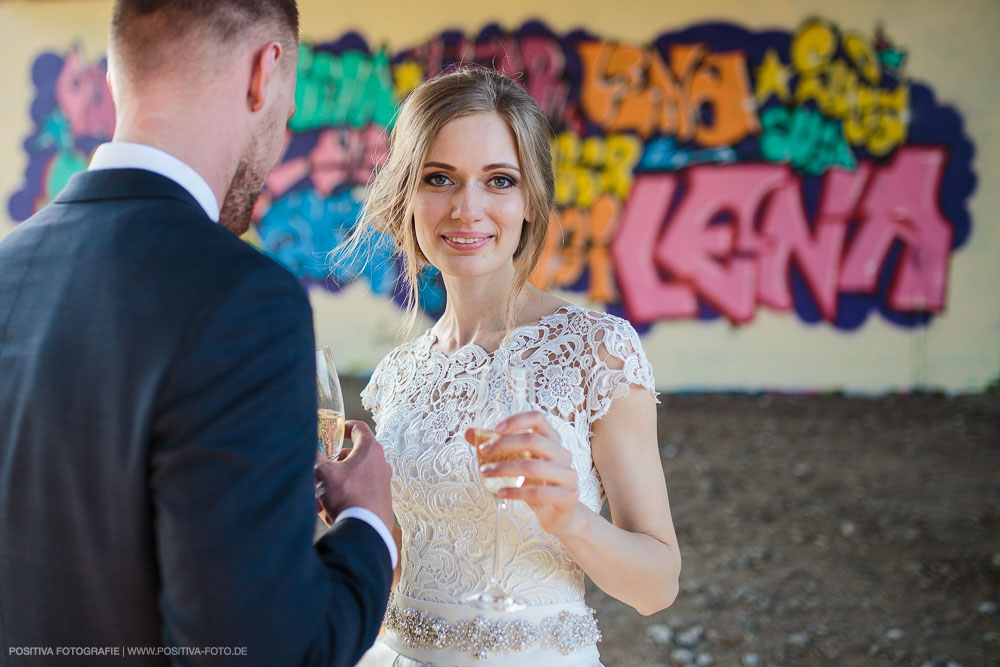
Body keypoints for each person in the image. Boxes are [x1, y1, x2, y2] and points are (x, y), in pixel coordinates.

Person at [0, 2, 396, 665]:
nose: (282, 133)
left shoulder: (8, 270)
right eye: (290, 107)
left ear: (117, 76)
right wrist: (368, 527)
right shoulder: (244, 301)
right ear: (264, 73)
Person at [353, 67, 681, 667]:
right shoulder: (397, 374)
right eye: (439, 178)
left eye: (498, 180)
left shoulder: (596, 350)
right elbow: (402, 571)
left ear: (531, 199)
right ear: (407, 194)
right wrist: (352, 518)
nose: (466, 208)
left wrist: (570, 519)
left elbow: (658, 588)